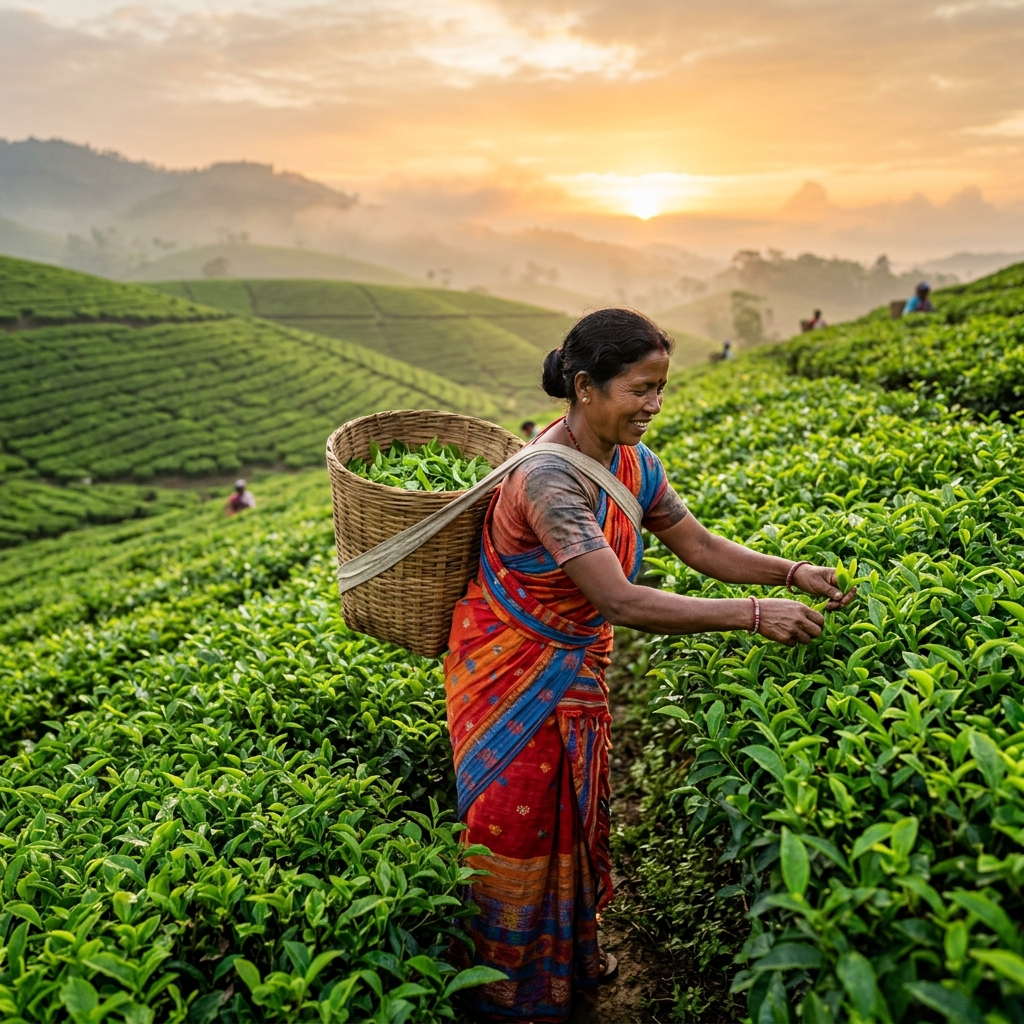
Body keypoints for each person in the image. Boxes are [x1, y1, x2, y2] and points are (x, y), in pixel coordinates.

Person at [445, 308, 857, 1023]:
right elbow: (618, 598)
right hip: (513, 670)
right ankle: (509, 993)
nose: (655, 406)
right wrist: (754, 616)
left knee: (574, 817)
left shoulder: (635, 464)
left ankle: (569, 961)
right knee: (517, 831)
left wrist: (791, 572)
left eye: (662, 388)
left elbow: (699, 546)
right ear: (584, 387)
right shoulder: (549, 479)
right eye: (640, 389)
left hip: (572, 665)